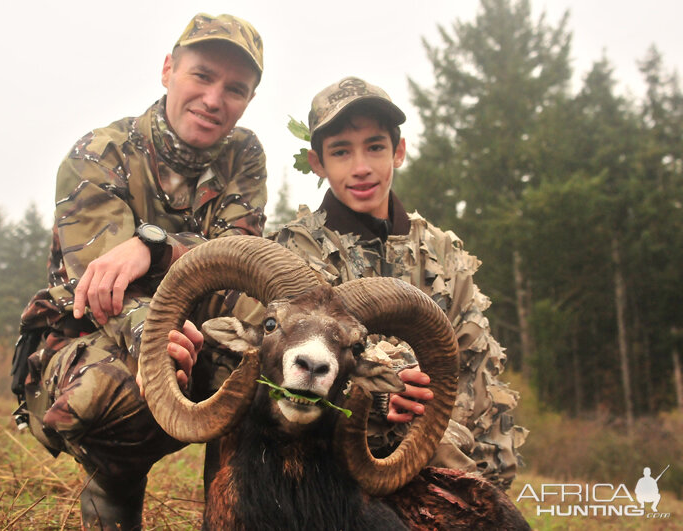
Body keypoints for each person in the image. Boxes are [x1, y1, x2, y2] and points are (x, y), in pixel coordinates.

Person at [175, 76, 526, 490]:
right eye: (341, 152)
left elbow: (471, 367)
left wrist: (454, 436)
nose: (361, 168)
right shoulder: (289, 254)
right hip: (328, 454)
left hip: (436, 439)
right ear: (319, 163)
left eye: (375, 147)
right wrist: (387, 389)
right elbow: (272, 366)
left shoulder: (445, 255)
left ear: (398, 151)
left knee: (487, 462)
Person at [13, 13, 267, 530]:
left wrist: (155, 249)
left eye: (235, 88)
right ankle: (113, 496)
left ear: (248, 101)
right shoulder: (99, 154)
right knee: (118, 395)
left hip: (202, 333)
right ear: (168, 69)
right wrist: (157, 345)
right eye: (201, 75)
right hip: (91, 337)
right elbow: (104, 294)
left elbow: (241, 260)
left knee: (268, 370)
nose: (215, 99)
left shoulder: (245, 154)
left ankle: (230, 516)